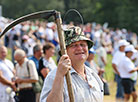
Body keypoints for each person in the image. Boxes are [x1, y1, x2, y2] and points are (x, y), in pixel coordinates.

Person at [40, 26, 103, 102]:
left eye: (82, 44)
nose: (79, 48)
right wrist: (60, 76)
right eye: (73, 45)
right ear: (64, 51)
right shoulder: (54, 77)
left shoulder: (93, 76)